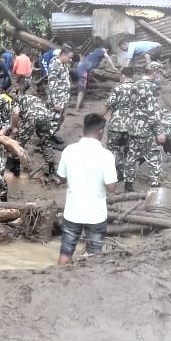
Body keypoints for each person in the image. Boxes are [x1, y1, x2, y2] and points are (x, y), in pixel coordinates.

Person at [56, 113, 118, 265]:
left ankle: (60, 279)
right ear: (101, 132)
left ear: (84, 129)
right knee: (94, 255)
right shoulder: (106, 155)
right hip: (95, 214)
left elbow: (62, 178)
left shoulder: (69, 150)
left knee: (66, 251)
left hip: (73, 211)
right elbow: (111, 188)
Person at [124, 62, 166, 191]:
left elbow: (130, 107)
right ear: (155, 73)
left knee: (132, 156)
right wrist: (159, 132)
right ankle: (155, 187)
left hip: (133, 128)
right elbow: (152, 111)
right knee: (154, 157)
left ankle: (128, 186)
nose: (159, 77)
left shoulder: (134, 85)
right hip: (146, 129)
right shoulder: (151, 87)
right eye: (159, 74)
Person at [101, 67, 135, 181]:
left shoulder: (118, 88)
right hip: (132, 126)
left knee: (113, 148)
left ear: (123, 76)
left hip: (116, 125)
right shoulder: (138, 89)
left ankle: (119, 170)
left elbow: (108, 105)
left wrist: (99, 116)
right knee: (128, 149)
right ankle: (128, 174)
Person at [10, 94, 55, 177]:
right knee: (46, 142)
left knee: (19, 143)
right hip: (46, 116)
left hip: (32, 116)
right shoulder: (32, 97)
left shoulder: (15, 100)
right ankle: (51, 168)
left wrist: (14, 127)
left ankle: (16, 168)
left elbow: (16, 113)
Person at [75, 40, 117, 110]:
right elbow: (107, 57)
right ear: (107, 49)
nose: (108, 53)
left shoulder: (96, 51)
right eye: (108, 51)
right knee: (81, 90)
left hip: (81, 69)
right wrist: (114, 67)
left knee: (83, 89)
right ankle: (77, 108)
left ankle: (80, 105)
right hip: (83, 71)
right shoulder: (102, 50)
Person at [46, 47, 73, 143]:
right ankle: (47, 140)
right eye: (69, 58)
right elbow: (52, 85)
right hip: (57, 99)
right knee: (53, 119)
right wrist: (55, 102)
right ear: (63, 55)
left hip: (63, 98)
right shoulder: (55, 66)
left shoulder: (64, 65)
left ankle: (52, 135)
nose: (71, 60)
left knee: (60, 119)